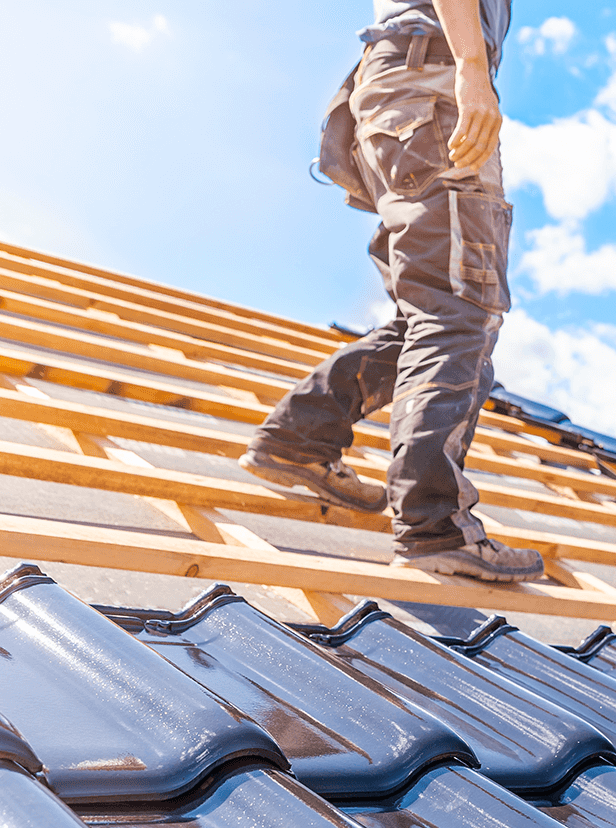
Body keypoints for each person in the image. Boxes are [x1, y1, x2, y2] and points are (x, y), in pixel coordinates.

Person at [239, 0, 545, 583]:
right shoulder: (455, 64)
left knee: (428, 313)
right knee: (460, 310)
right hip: (430, 86)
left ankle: (301, 437)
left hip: (393, 95)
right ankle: (435, 529)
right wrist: (473, 71)